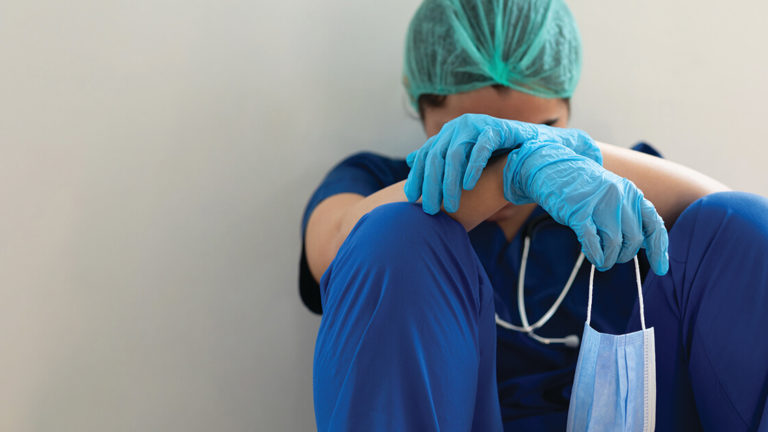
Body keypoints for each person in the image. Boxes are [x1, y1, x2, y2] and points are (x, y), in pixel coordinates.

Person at [299, 0, 768, 430]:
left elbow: (737, 239)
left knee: (740, 222)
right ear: (422, 110)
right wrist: (509, 175)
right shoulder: (373, 181)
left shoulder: (607, 189)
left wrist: (564, 154)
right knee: (392, 232)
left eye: (539, 127)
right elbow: (335, 247)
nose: (505, 146)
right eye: (470, 137)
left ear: (567, 107)